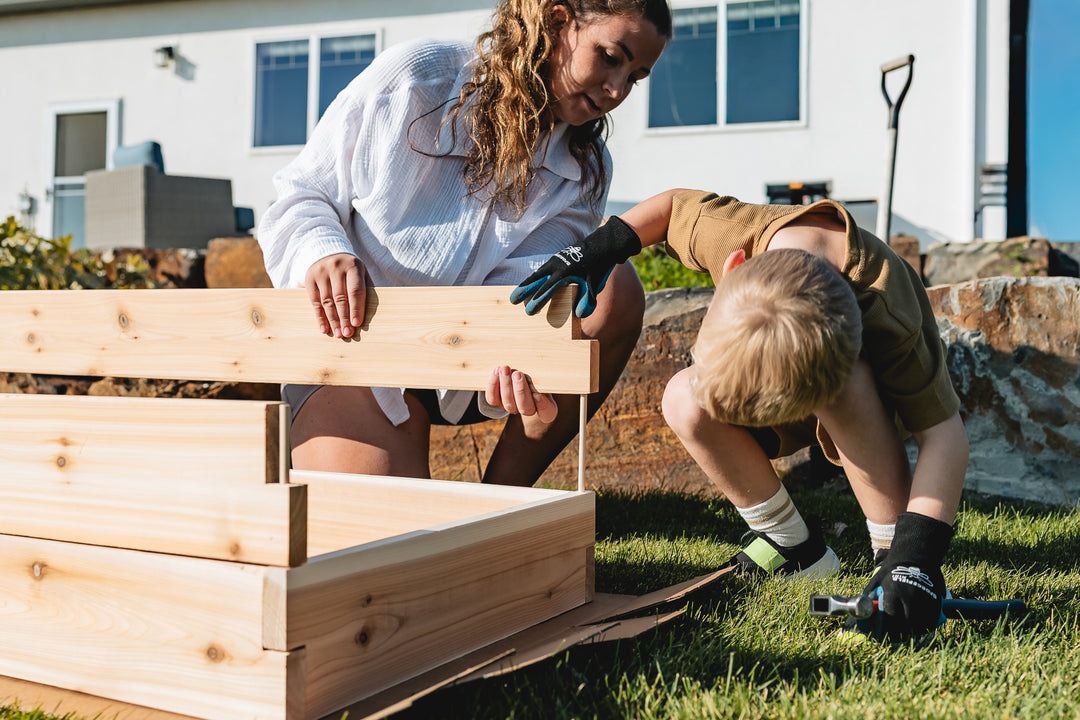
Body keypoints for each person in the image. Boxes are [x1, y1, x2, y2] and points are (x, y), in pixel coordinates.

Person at [512, 189, 969, 643]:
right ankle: (794, 546)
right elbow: (672, 208)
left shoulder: (893, 311)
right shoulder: (733, 233)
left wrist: (915, 558)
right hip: (786, 384)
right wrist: (597, 247)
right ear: (732, 268)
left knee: (852, 387)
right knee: (683, 397)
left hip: (855, 398)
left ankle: (888, 557)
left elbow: (944, 436)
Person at [257, 0, 671, 485]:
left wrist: (520, 353)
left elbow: (533, 284)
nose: (617, 89)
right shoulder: (418, 80)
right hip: (352, 350)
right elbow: (300, 192)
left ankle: (502, 496)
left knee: (614, 284)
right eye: (609, 56)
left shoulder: (586, 167)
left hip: (466, 369)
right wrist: (322, 250)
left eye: (635, 76)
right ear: (558, 22)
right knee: (385, 541)